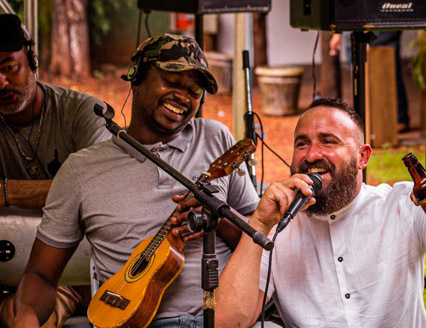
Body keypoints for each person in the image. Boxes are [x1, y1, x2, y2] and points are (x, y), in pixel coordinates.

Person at [10, 34, 259, 328]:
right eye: (171, 82)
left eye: (194, 91)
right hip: (132, 320)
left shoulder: (216, 138)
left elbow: (257, 237)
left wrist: (217, 216)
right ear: (136, 78)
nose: (183, 96)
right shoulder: (81, 169)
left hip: (224, 317)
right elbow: (40, 275)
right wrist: (25, 319)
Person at [215, 97, 426, 327]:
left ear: (362, 156)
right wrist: (259, 223)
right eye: (302, 143)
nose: (312, 155)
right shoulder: (278, 228)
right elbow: (226, 322)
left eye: (328, 141)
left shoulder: (402, 204)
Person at [0, 13, 110, 328]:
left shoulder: (82, 113)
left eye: (10, 68)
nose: (2, 83)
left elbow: (98, 185)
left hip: (70, 273)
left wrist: (7, 191)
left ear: (32, 62)